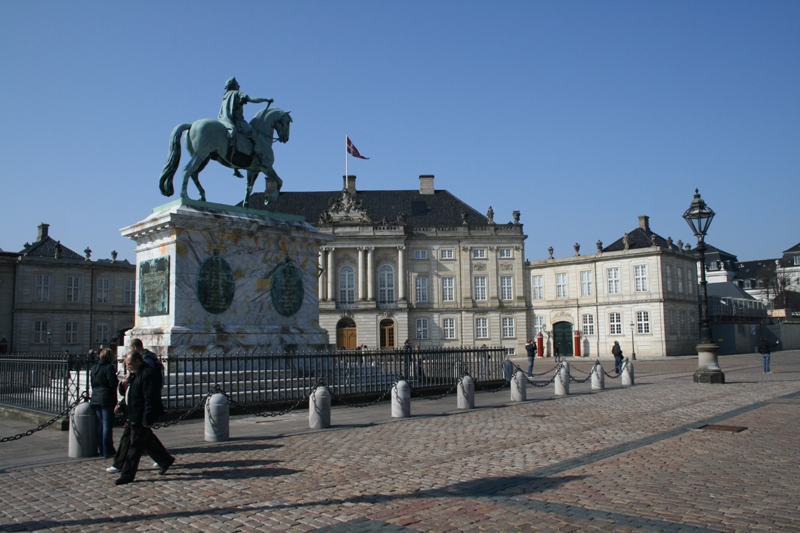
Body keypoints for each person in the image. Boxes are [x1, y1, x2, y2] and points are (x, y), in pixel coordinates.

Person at [114, 351, 174, 485]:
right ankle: (165, 460)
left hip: (139, 416)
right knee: (145, 442)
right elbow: (131, 394)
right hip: (132, 414)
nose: (127, 366)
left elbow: (150, 398)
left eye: (129, 364)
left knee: (134, 446)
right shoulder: (135, 374)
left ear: (137, 361)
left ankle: (127, 475)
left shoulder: (147, 374)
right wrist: (121, 404)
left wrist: (147, 419)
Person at [218, 76, 273, 177]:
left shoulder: (225, 96)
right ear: (235, 86)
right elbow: (252, 99)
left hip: (224, 120)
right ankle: (260, 157)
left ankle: (235, 168)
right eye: (238, 85)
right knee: (254, 135)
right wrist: (265, 99)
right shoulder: (237, 94)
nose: (239, 86)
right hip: (238, 122)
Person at [90, 348, 119, 458]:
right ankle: (108, 451)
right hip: (106, 398)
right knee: (107, 426)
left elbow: (93, 383)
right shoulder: (109, 367)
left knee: (100, 426)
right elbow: (112, 383)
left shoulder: (94, 368)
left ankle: (102, 450)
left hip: (96, 398)